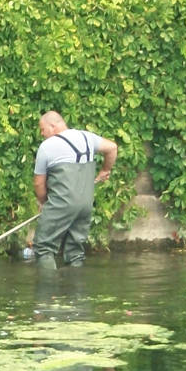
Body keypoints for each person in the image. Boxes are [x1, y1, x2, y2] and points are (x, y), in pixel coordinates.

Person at [32, 111, 118, 269]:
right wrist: (105, 170)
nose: (42, 133)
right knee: (75, 253)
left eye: (43, 129)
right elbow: (112, 147)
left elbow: (38, 183)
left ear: (53, 126)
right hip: (85, 206)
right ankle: (76, 291)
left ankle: (46, 291)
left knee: (43, 248)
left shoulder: (47, 147)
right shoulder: (87, 137)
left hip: (61, 204)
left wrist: (43, 202)